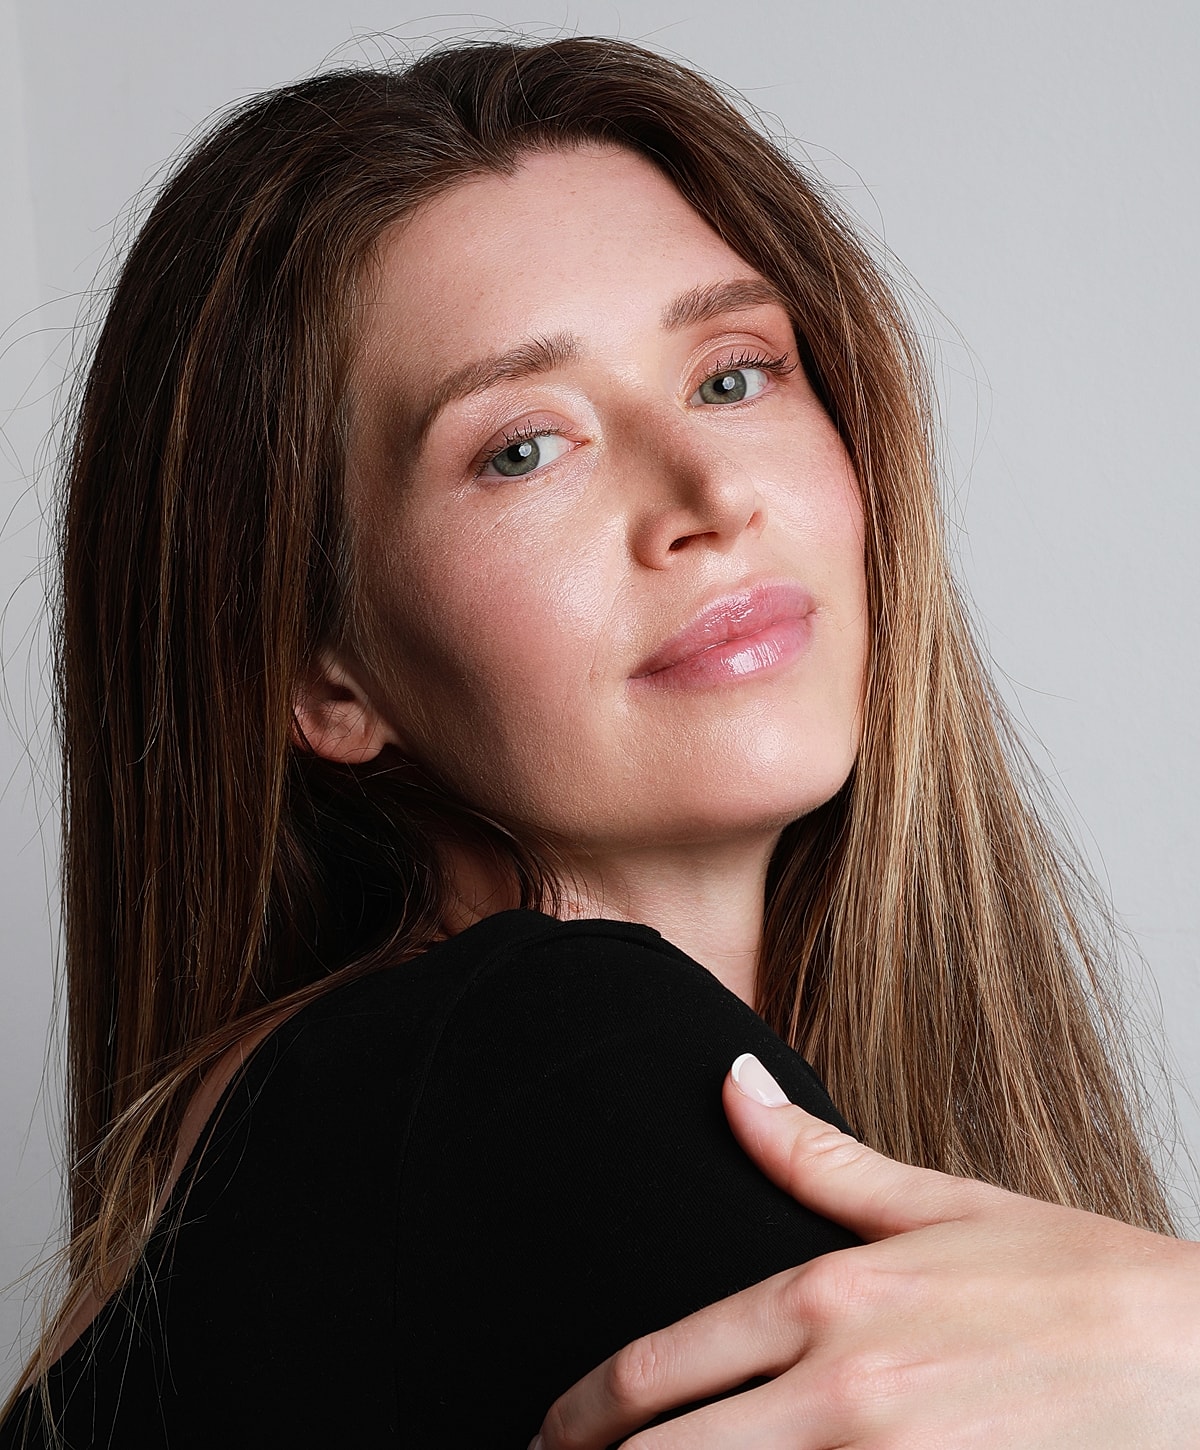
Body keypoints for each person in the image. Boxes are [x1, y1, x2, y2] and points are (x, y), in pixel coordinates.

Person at [2, 33, 1197, 1448]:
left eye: (735, 375)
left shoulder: (377, 1113)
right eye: (524, 445)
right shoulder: (539, 1057)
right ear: (322, 675)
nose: (705, 493)